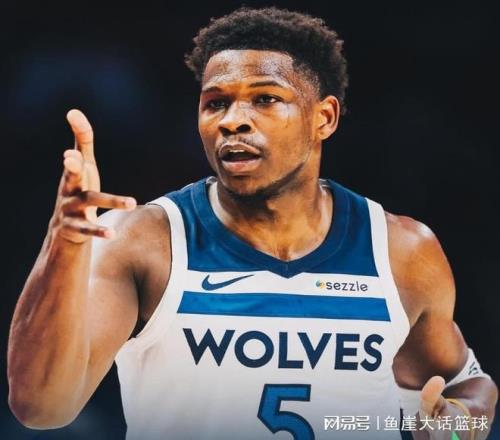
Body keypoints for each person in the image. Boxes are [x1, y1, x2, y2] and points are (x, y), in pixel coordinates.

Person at [7, 6, 497, 440]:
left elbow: (468, 388)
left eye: (265, 99)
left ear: (324, 118)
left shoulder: (401, 251)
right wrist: (62, 243)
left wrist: (457, 428)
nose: (232, 120)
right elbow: (41, 409)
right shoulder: (142, 242)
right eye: (215, 102)